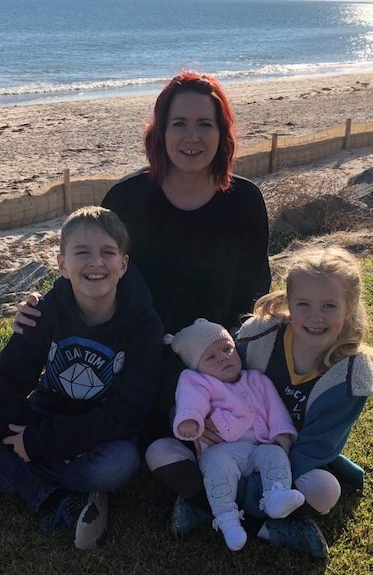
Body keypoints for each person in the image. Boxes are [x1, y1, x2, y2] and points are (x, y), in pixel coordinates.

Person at [14, 70, 271, 445]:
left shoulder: (245, 201)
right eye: (178, 123)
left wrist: (225, 371)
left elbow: (255, 294)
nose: (192, 137)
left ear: (222, 132)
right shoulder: (126, 200)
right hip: (137, 356)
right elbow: (96, 273)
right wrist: (43, 305)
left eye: (205, 124)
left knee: (231, 428)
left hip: (217, 358)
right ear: (160, 132)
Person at [0, 206, 163, 551]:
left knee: (119, 465)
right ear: (61, 263)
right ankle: (55, 498)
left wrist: (40, 443)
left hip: (98, 436)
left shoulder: (144, 326)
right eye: (82, 252)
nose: (95, 263)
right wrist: (22, 435)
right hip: (41, 417)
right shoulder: (44, 311)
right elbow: (5, 383)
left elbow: (127, 413)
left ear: (124, 264)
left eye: (107, 253)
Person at [146, 246, 373, 558]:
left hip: (284, 462)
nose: (315, 317)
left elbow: (316, 449)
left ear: (348, 310)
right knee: (158, 451)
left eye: (329, 306)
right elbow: (210, 379)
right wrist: (195, 422)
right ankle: (268, 525)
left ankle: (210, 503)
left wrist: (261, 484)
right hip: (225, 446)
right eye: (304, 304)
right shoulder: (260, 335)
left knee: (325, 491)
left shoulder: (352, 375)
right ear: (288, 303)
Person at [168, 318, 305, 551]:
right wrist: (191, 418)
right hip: (222, 448)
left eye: (227, 349)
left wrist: (282, 435)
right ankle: (227, 519)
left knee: (275, 456)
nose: (223, 357)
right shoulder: (197, 380)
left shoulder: (257, 379)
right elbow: (192, 399)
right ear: (197, 366)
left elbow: (276, 410)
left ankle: (276, 495)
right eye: (211, 357)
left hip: (258, 446)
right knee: (217, 468)